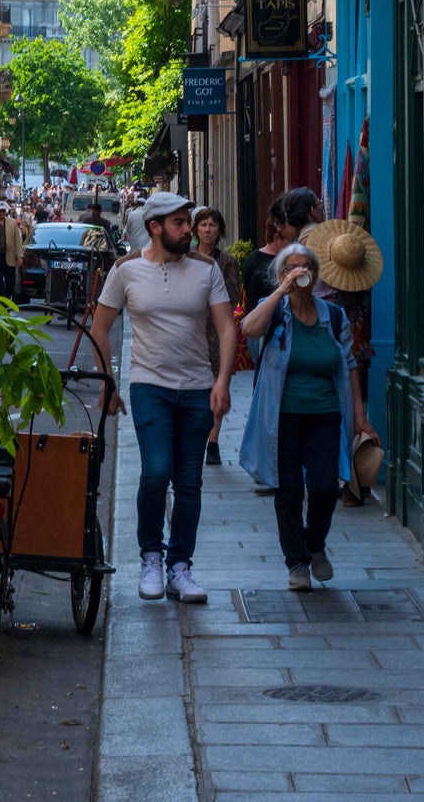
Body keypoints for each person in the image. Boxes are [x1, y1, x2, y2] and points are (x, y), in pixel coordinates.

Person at [87, 192, 237, 606]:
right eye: (179, 223)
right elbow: (100, 328)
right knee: (156, 471)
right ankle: (150, 557)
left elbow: (226, 328)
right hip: (149, 385)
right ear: (155, 227)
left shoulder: (206, 270)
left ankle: (179, 567)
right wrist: (108, 384)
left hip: (196, 388)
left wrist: (222, 381)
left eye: (189, 222)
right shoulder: (126, 270)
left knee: (189, 481)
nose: (189, 230)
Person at [239, 242, 378, 591]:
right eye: (291, 268)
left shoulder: (333, 315)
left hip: (325, 414)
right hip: (282, 417)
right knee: (287, 491)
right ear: (281, 274)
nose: (300, 273)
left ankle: (314, 544)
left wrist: (359, 416)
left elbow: (348, 366)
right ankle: (296, 564)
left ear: (316, 274)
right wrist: (281, 291)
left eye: (306, 267)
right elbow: (248, 330)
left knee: (323, 487)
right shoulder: (272, 310)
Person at [188, 209, 243, 466]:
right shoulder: (184, 258)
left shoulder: (228, 262)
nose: (208, 229)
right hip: (190, 329)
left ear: (220, 230)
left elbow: (231, 296)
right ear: (195, 229)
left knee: (218, 384)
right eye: (203, 225)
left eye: (213, 225)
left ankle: (213, 441)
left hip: (216, 330)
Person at [242, 201, 292, 311]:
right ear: (277, 238)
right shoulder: (265, 268)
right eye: (290, 240)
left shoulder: (253, 257)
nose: (294, 245)